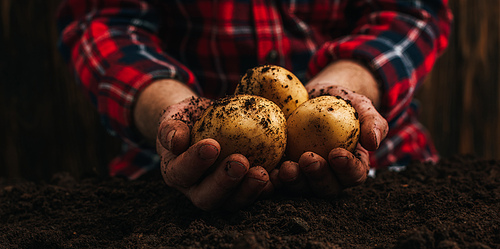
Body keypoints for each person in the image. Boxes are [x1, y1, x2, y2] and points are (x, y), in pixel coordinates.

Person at [57, 0, 452, 211]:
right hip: (177, 172)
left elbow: (412, 8)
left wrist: (349, 83)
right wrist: (168, 105)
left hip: (385, 166)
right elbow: (104, 21)